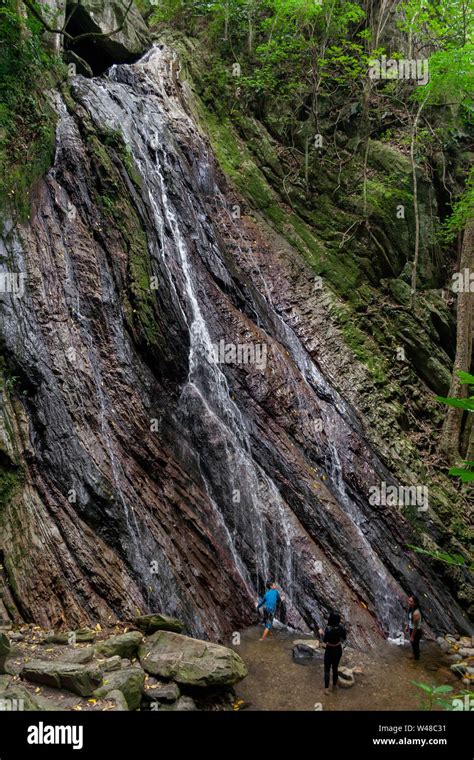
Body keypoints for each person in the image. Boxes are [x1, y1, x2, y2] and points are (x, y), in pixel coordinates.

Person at [319, 611, 346, 695]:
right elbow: (344, 638)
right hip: (338, 649)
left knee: (327, 670)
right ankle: (334, 686)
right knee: (335, 668)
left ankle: (326, 689)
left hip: (330, 649)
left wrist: (321, 633)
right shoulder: (342, 628)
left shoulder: (328, 629)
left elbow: (324, 640)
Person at [404, 595, 422, 660]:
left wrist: (412, 636)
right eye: (409, 601)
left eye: (411, 601)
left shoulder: (416, 613)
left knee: (415, 646)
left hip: (416, 631)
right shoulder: (411, 609)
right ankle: (415, 657)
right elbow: (409, 619)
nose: (409, 602)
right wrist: (407, 626)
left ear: (415, 603)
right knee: (413, 645)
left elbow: (415, 627)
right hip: (412, 629)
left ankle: (416, 662)